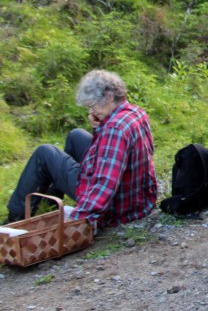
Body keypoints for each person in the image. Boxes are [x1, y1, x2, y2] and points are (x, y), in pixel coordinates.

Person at [3, 70, 157, 229]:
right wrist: (99, 127)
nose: (91, 112)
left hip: (116, 209)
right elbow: (112, 150)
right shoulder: (136, 112)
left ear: (109, 96)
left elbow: (106, 183)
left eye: (92, 105)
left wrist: (79, 218)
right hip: (138, 199)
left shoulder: (115, 128)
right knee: (76, 135)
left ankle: (14, 221)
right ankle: (49, 206)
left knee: (44, 153)